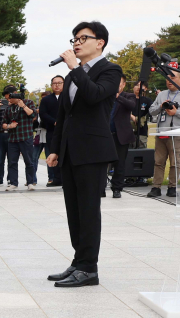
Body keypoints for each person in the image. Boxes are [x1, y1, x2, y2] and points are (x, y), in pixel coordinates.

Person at [46, 21, 123, 288]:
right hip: (70, 152)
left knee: (89, 210)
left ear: (99, 42)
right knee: (74, 210)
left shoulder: (110, 70)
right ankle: (79, 262)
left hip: (93, 151)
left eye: (82, 38)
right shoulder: (71, 76)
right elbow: (63, 116)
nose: (76, 43)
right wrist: (55, 149)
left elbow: (94, 96)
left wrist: (76, 69)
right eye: (74, 39)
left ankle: (89, 268)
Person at [146, 72, 180, 198]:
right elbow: (151, 111)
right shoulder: (162, 94)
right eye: (167, 78)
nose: (169, 81)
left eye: (173, 78)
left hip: (178, 133)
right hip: (162, 132)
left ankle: (172, 187)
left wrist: (176, 112)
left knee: (175, 162)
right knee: (158, 161)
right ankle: (156, 187)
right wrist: (161, 106)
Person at [1, 88, 38, 191]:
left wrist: (23, 106)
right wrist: (9, 126)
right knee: (12, 162)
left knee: (29, 161)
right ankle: (13, 183)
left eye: (10, 98)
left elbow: (33, 115)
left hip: (26, 137)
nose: (8, 100)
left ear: (15, 95)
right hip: (13, 139)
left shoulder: (28, 102)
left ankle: (30, 182)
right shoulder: (9, 108)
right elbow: (3, 124)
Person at [39, 76, 63, 187]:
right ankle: (56, 178)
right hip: (52, 131)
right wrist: (54, 122)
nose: (57, 85)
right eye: (54, 83)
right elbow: (43, 114)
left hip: (67, 131)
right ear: (51, 85)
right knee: (52, 154)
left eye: (59, 83)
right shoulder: (46, 99)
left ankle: (67, 178)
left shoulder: (69, 97)